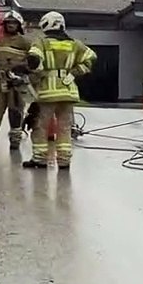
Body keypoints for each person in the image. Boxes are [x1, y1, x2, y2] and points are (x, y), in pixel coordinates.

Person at [24, 10, 96, 170]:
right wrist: (72, 74)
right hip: (68, 92)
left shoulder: (41, 43)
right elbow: (91, 59)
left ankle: (39, 159)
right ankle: (64, 161)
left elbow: (33, 61)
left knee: (40, 126)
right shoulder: (75, 44)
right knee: (64, 128)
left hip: (47, 93)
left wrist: (36, 73)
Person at [0, 9, 35, 154]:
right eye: (8, 23)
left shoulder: (25, 42)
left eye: (14, 23)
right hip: (1, 83)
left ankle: (15, 140)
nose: (11, 25)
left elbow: (32, 62)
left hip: (18, 84)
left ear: (19, 25)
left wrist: (22, 70)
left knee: (16, 112)